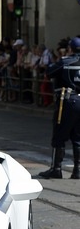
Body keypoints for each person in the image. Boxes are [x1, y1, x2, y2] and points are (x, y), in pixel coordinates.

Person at [39, 37, 80, 180]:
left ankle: (56, 169)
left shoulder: (66, 61)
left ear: (70, 48)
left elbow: (49, 72)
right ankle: (78, 170)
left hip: (67, 101)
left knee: (59, 135)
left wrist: (61, 58)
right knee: (78, 137)